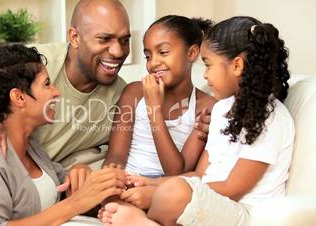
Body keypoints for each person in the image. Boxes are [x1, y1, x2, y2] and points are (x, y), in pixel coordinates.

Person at [0, 0, 129, 222]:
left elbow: (106, 161)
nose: (118, 51)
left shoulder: (122, 98)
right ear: (75, 37)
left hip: (14, 183)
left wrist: (80, 173)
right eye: (104, 39)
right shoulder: (35, 62)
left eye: (125, 40)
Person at [101, 16, 294, 226]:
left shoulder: (271, 118)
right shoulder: (222, 109)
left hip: (241, 209)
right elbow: (201, 174)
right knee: (172, 189)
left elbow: (233, 189)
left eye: (209, 65)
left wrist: (156, 192)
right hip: (209, 199)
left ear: (237, 65)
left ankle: (143, 222)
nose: (205, 76)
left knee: (174, 192)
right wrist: (151, 183)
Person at [103, 15, 216, 179]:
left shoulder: (206, 107)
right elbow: (115, 156)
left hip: (163, 190)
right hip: (125, 182)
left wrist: (154, 110)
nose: (153, 63)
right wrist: (110, 181)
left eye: (163, 52)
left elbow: (177, 174)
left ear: (191, 53)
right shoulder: (134, 93)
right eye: (148, 56)